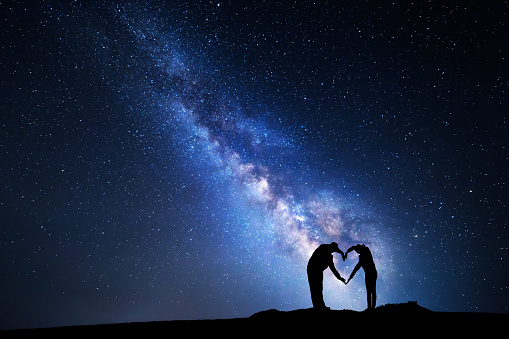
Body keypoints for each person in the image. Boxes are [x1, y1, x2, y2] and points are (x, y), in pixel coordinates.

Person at [307, 242, 346, 310]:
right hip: (313, 269)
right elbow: (332, 268)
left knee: (319, 288)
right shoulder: (323, 248)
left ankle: (320, 305)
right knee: (315, 288)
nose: (333, 251)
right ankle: (318, 306)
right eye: (333, 250)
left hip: (318, 270)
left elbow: (333, 268)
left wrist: (341, 253)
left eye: (334, 250)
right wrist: (339, 278)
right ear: (330, 246)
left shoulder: (329, 254)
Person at [345, 244, 377, 310]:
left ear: (360, 248)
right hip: (368, 274)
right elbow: (353, 247)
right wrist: (347, 252)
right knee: (368, 291)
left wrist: (350, 277)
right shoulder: (362, 255)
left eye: (357, 250)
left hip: (372, 272)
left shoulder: (366, 251)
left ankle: (372, 307)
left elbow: (356, 268)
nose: (357, 252)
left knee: (372, 290)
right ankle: (369, 307)